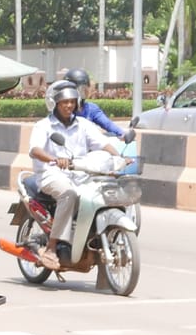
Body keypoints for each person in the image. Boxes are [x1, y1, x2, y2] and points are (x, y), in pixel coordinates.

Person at [29, 80, 126, 271]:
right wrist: (54, 159)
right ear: (54, 103)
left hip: (80, 174)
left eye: (72, 101)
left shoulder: (84, 125)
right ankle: (51, 247)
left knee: (102, 193)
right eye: (64, 102)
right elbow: (35, 150)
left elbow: (102, 143)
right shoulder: (44, 126)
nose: (69, 105)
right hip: (51, 174)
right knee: (69, 194)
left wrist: (120, 158)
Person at [60, 67, 129, 139]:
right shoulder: (62, 110)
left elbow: (107, 124)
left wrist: (122, 134)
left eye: (85, 88)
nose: (84, 92)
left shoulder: (91, 109)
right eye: (81, 89)